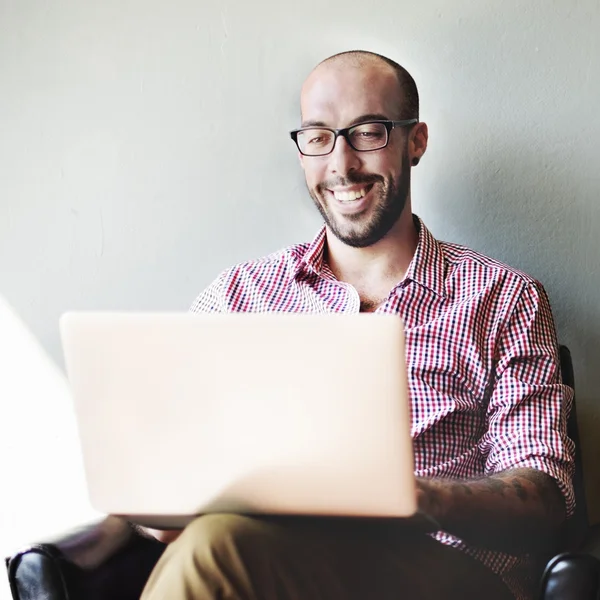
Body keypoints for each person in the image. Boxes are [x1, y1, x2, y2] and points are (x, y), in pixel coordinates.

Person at [140, 50, 575, 600]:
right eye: (319, 137)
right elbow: (160, 487)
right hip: (269, 561)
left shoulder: (505, 298)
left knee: (214, 546)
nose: (342, 165)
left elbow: (542, 499)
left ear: (414, 140)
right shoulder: (237, 298)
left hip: (441, 574)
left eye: (367, 132)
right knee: (212, 538)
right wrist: (161, 499)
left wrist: (414, 496)